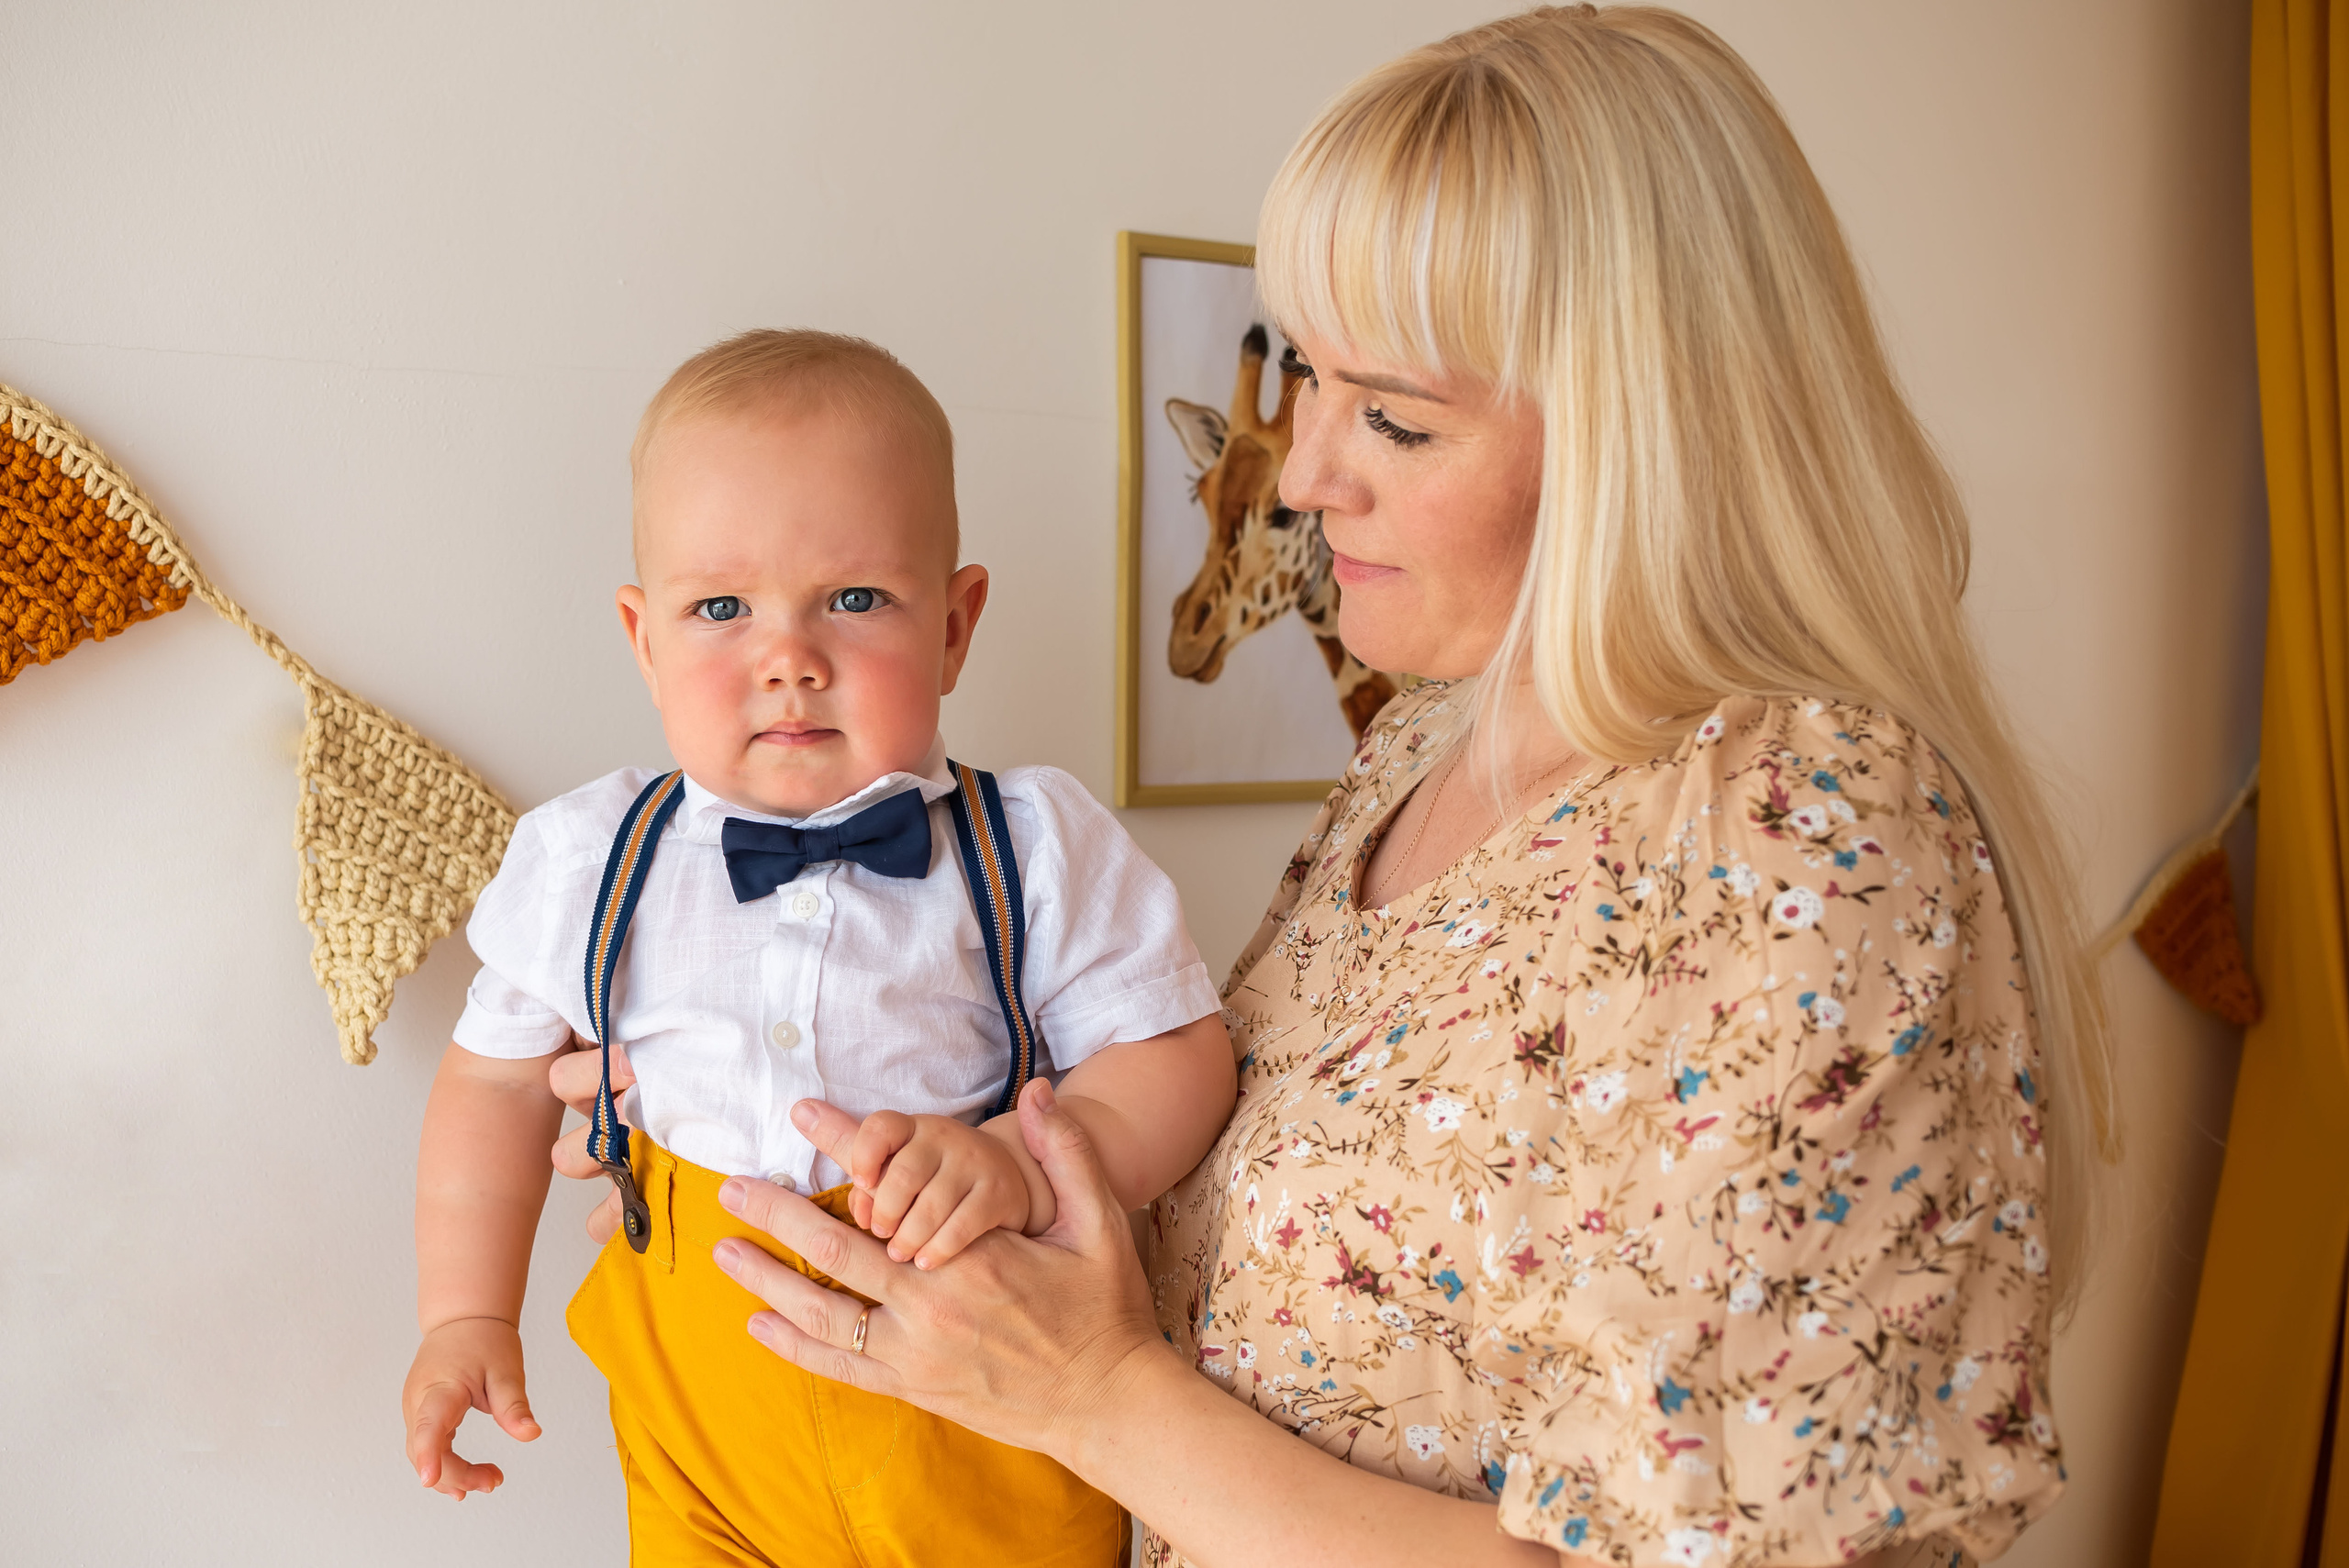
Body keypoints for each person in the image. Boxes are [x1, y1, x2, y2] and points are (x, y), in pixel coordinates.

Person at [552, 7, 2115, 1565]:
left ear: (1641, 441)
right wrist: (763, 1086)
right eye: (1309, 375)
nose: (1302, 476)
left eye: (1396, 417)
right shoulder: (1428, 746)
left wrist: (1093, 1396)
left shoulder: (1797, 828)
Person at [400, 328, 1237, 1565]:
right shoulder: (586, 858)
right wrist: (463, 1309)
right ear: (643, 639)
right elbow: (492, 1080)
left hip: (979, 1413)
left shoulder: (1033, 842)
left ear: (955, 626)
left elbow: (1179, 1056)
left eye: (854, 599)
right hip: (704, 1430)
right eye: (720, 607)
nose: (788, 656)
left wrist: (1029, 1159)